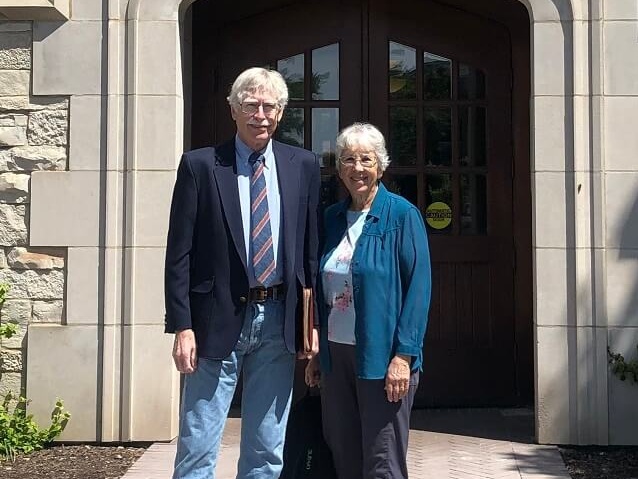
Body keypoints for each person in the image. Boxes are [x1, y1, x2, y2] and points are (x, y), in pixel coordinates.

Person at [164, 67, 320, 479]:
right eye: (251, 105)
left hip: (278, 322)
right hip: (214, 322)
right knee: (198, 444)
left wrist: (310, 322)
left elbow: (308, 251)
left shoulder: (301, 165)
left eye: (270, 106)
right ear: (233, 109)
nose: (261, 115)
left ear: (282, 112)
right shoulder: (200, 166)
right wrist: (182, 326)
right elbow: (178, 254)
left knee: (267, 449)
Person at [305, 122, 431, 479]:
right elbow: (320, 286)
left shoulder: (402, 215)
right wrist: (316, 350)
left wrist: (404, 356)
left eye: (366, 159)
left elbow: (419, 289)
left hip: (383, 355)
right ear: (338, 166)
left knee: (382, 461)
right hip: (335, 355)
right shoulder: (331, 218)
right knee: (343, 453)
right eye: (348, 159)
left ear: (381, 165)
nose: (357, 168)